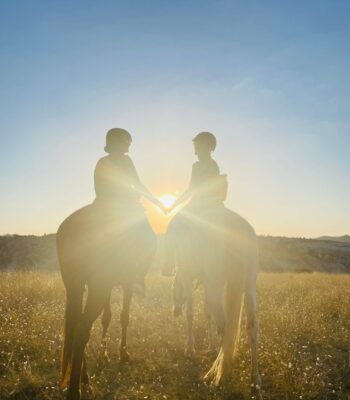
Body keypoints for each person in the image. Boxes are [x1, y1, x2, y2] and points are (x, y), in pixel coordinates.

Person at [93, 128, 164, 290]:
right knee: (150, 240)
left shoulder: (101, 162)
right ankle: (138, 277)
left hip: (101, 205)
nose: (129, 148)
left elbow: (98, 189)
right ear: (118, 143)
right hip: (124, 208)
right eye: (127, 143)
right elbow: (138, 185)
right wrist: (156, 202)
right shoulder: (126, 161)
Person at [162, 132, 228, 276]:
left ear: (205, 146)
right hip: (213, 204)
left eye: (197, 145)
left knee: (172, 225)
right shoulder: (213, 165)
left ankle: (169, 263)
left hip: (199, 205)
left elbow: (191, 189)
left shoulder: (198, 166)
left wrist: (173, 205)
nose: (195, 148)